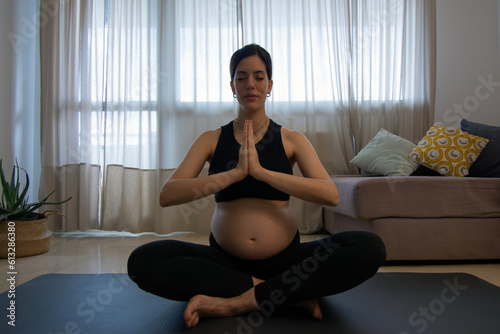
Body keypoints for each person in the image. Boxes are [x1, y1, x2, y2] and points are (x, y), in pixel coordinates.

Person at [127, 44, 386, 328]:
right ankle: (283, 293)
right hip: (223, 264)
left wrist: (262, 173)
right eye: (241, 77)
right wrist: (234, 174)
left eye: (259, 77)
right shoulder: (211, 139)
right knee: (143, 260)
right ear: (232, 86)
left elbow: (330, 194)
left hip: (286, 260)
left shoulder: (292, 139)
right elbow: (168, 194)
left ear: (270, 85)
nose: (250, 84)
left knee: (368, 247)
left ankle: (237, 301)